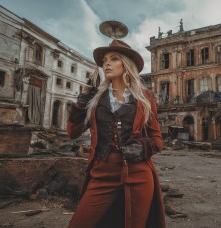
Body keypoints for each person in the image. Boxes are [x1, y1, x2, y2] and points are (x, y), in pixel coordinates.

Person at [67, 39, 165, 228]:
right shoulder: (95, 99)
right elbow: (72, 133)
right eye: (104, 60)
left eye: (113, 59)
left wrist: (144, 147)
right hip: (102, 173)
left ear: (127, 64)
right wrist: (81, 102)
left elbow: (157, 139)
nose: (107, 64)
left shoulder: (144, 98)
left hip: (138, 174)